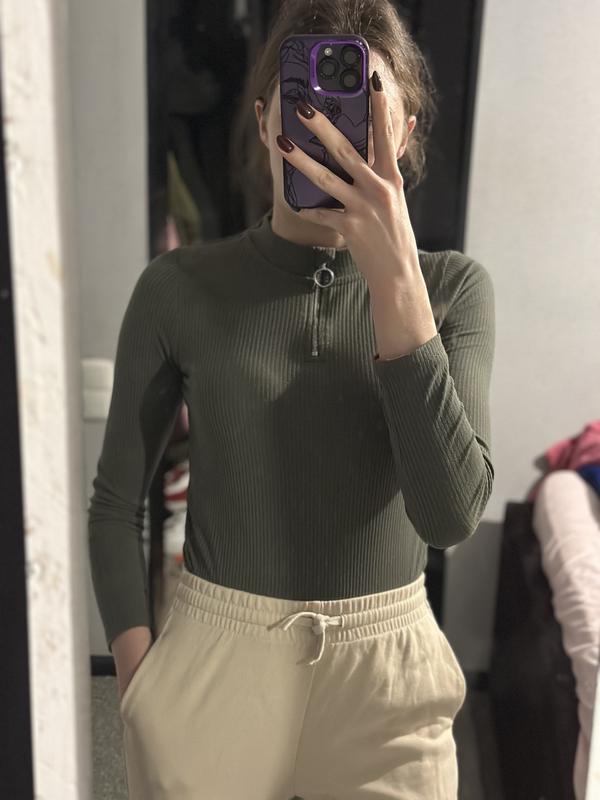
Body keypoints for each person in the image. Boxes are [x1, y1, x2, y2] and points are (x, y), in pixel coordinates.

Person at [88, 0, 495, 797]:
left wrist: (396, 283)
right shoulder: (179, 287)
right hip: (215, 662)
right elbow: (114, 503)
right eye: (304, 101)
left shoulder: (453, 291)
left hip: (390, 684)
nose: (328, 130)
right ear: (265, 118)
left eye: (361, 110)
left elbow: (449, 517)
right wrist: (139, 692)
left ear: (403, 133)